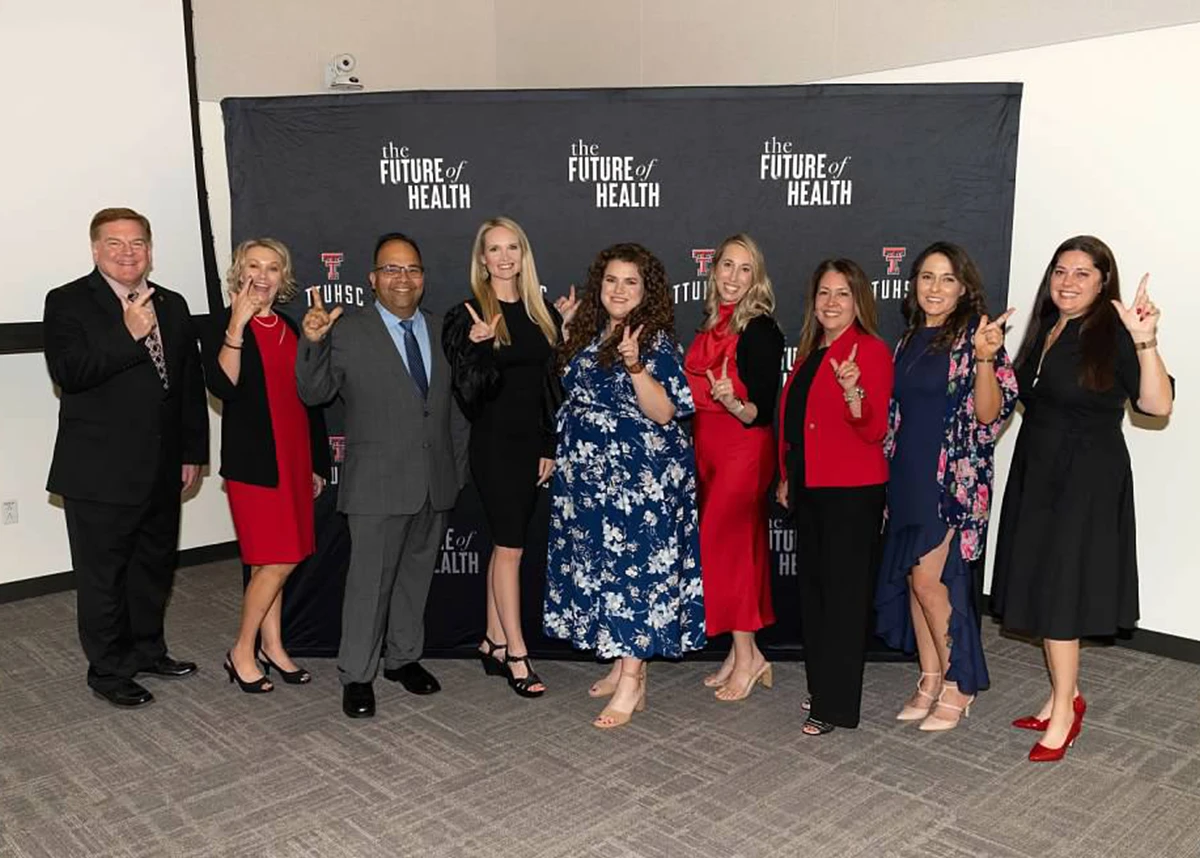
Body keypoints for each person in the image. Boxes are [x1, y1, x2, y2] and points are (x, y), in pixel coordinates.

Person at [992, 236, 1173, 762]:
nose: (1067, 282)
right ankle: (1061, 696)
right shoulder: (1049, 326)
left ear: (1102, 282)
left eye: (1082, 274)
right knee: (1048, 584)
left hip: (1086, 480)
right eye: (1060, 271)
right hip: (1040, 472)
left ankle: (1066, 718)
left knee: (1061, 594)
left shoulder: (1113, 332)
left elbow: (1156, 405)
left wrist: (1145, 341)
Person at [296, 231, 469, 719]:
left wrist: (454, 473)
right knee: (368, 585)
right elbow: (314, 394)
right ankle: (357, 674)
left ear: (423, 279)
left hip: (434, 481)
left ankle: (403, 659)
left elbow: (453, 410)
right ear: (373, 279)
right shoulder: (346, 330)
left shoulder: (440, 330)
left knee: (415, 580)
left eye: (412, 269)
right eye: (391, 269)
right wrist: (312, 344)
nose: (403, 277)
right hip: (375, 484)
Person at [43, 207, 208, 708]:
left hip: (162, 467)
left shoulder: (174, 305)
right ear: (95, 250)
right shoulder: (68, 302)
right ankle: (109, 670)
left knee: (153, 568)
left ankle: (148, 651)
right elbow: (69, 372)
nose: (128, 252)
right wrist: (127, 332)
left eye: (137, 243)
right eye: (115, 243)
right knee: (104, 576)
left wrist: (192, 453)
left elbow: (187, 387)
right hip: (98, 472)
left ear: (150, 250)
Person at [543, 243, 705, 729]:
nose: (618, 290)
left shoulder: (654, 342)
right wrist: (568, 328)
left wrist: (635, 367)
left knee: (635, 576)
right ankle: (622, 663)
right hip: (591, 482)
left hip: (640, 482)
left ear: (646, 291)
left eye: (630, 282)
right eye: (611, 280)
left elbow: (664, 412)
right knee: (607, 574)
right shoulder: (595, 332)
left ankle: (634, 679)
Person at [873, 242, 1019, 731]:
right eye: (927, 277)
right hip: (906, 474)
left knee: (931, 581)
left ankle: (961, 683)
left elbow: (987, 414)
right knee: (916, 580)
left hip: (951, 478)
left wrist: (983, 360)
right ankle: (931, 676)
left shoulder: (977, 338)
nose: (935, 288)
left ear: (964, 288)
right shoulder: (908, 339)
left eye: (947, 279)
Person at [200, 238, 332, 693]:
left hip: (294, 458)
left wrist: (316, 461)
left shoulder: (292, 326)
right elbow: (223, 387)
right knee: (278, 558)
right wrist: (235, 326)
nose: (262, 274)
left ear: (283, 277)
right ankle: (242, 650)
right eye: (253, 266)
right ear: (239, 273)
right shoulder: (222, 322)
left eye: (272, 267)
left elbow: (310, 399)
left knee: (269, 563)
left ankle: (273, 647)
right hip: (255, 463)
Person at [442, 217, 562, 698]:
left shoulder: (540, 311)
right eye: (495, 249)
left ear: (523, 254)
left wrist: (549, 445)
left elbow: (547, 387)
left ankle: (491, 641)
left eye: (513, 246)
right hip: (492, 447)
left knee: (505, 545)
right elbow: (469, 395)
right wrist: (477, 350)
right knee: (511, 548)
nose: (505, 256)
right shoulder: (467, 314)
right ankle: (517, 652)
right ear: (482, 259)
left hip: (530, 447)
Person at [776, 258, 893, 736]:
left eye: (842, 293)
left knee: (843, 601)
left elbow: (873, 429)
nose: (831, 302)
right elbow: (795, 426)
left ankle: (837, 704)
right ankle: (824, 684)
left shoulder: (869, 351)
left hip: (852, 493)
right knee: (816, 597)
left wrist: (853, 391)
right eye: (823, 293)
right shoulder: (809, 353)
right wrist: (786, 477)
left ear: (858, 300)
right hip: (811, 489)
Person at [683, 234, 784, 701]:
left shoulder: (760, 330)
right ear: (714, 269)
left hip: (743, 448)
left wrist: (731, 400)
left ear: (757, 277)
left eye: (745, 269)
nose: (733, 277)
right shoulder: (712, 325)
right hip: (710, 451)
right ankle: (740, 650)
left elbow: (761, 411)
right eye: (727, 266)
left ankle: (749, 656)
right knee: (734, 551)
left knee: (732, 552)